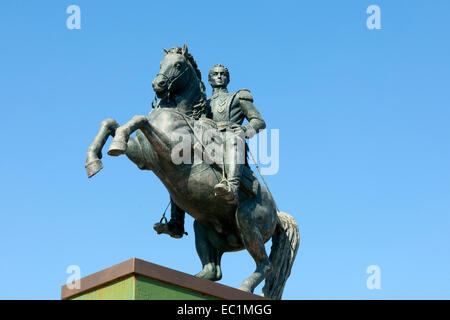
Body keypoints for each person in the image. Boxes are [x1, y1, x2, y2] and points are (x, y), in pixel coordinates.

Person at [153, 63, 266, 238]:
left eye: (223, 74)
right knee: (178, 167)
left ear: (227, 78)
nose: (219, 76)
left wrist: (244, 130)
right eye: (215, 74)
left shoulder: (239, 97)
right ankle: (176, 222)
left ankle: (232, 186)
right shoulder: (202, 103)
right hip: (207, 140)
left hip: (230, 139)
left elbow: (259, 122)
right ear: (209, 79)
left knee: (233, 139)